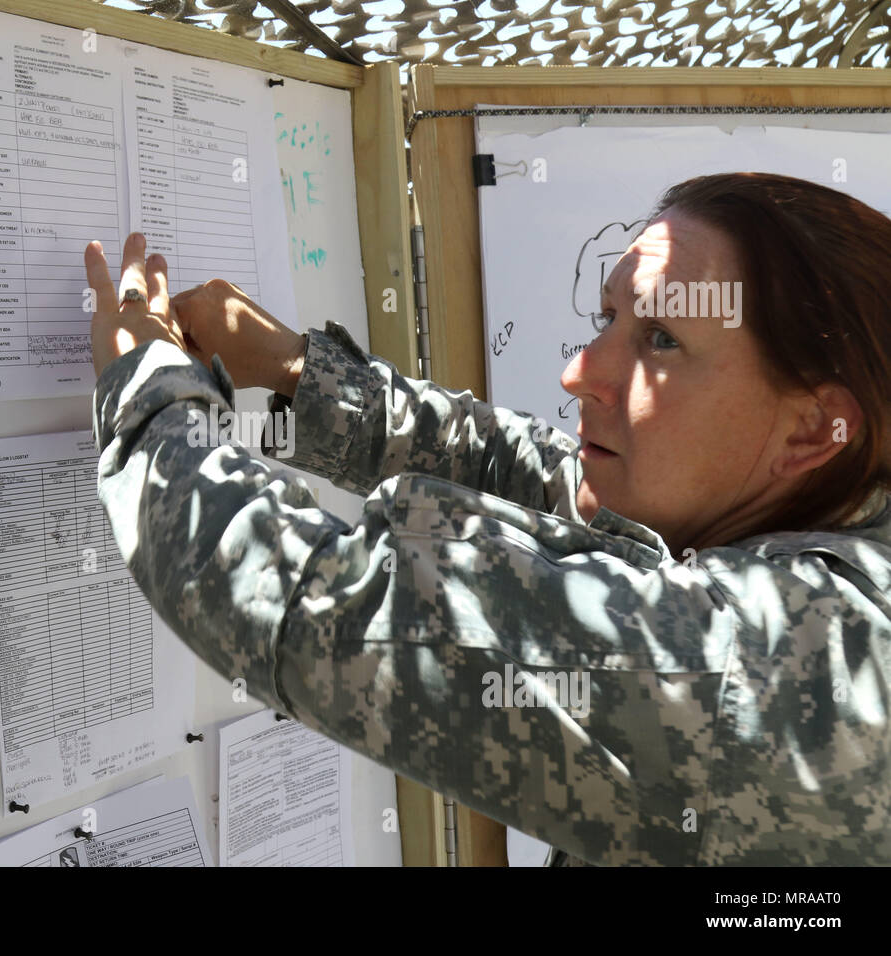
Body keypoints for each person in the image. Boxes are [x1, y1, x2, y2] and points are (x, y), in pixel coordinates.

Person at [83, 172, 891, 865]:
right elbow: (541, 477)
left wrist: (146, 390)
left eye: (660, 339)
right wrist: (301, 372)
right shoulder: (818, 507)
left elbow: (317, 608)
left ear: (813, 429)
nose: (582, 373)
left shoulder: (793, 661)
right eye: (607, 319)